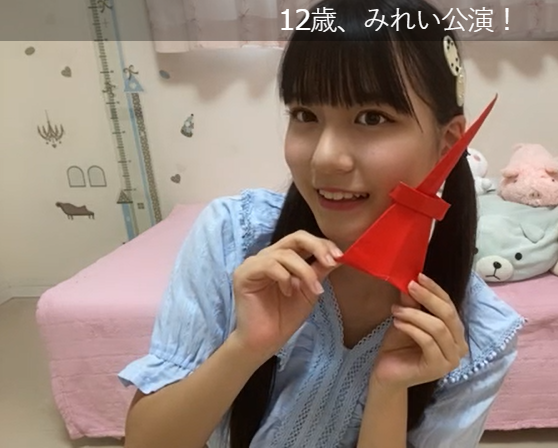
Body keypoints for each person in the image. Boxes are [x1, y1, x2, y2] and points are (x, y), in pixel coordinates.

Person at [118, 0, 524, 447]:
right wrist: (246, 347)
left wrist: (390, 390)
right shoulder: (232, 238)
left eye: (372, 118)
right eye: (305, 115)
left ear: (447, 144)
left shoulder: (475, 336)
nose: (324, 158)